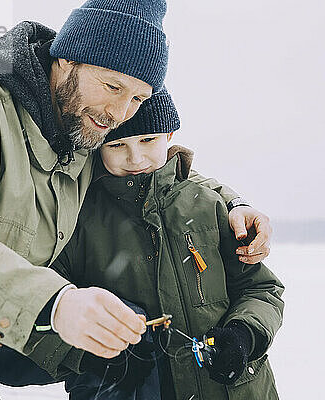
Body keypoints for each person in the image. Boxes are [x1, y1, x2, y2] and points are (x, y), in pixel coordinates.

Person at [0, 0, 272, 399]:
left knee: (125, 337)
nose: (119, 113)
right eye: (113, 85)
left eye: (138, 98)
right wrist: (52, 304)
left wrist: (232, 203)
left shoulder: (82, 129)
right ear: (68, 59)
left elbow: (151, 175)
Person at [52, 88, 284, 400]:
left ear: (170, 135)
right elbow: (50, 306)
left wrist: (243, 335)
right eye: (118, 144)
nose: (136, 158)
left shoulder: (209, 206)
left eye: (148, 140)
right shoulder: (77, 219)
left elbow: (260, 289)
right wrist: (94, 356)